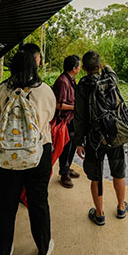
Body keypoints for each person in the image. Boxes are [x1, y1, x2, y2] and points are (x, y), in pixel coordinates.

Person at [0, 51, 56, 255]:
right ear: (34, 67)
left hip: (8, 155)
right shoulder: (45, 91)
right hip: (39, 152)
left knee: (6, 205)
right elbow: (50, 118)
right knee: (38, 201)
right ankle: (44, 250)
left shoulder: (1, 90)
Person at [74, 51, 128, 226]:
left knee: (96, 177)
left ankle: (99, 214)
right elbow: (110, 70)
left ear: (83, 69)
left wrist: (79, 142)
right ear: (99, 66)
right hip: (114, 134)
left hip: (93, 139)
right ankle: (121, 207)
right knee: (118, 172)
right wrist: (104, 66)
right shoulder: (110, 79)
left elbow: (79, 117)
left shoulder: (82, 85)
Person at [53, 55, 81, 188]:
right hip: (64, 120)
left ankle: (67, 167)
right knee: (65, 147)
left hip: (72, 119)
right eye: (79, 66)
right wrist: (74, 107)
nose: (80, 68)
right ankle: (64, 173)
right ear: (74, 68)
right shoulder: (62, 81)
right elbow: (58, 105)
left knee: (72, 145)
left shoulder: (71, 79)